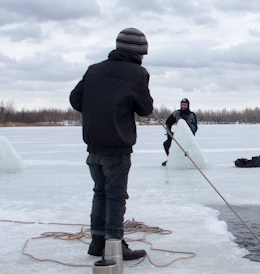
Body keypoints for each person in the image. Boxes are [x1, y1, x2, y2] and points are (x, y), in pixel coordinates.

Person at [69, 28, 154, 260]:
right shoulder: (137, 73)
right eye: (143, 52)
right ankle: (114, 245)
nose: (144, 57)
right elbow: (145, 109)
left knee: (100, 192)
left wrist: (99, 110)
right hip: (116, 146)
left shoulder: (94, 70)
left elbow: (75, 99)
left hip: (93, 145)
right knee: (115, 196)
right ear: (137, 52)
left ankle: (97, 242)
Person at [162, 98, 199, 165]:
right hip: (178, 136)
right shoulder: (177, 113)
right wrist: (169, 132)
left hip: (188, 137)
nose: (183, 106)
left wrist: (188, 123)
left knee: (186, 149)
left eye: (185, 105)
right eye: (182, 105)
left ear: (188, 106)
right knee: (166, 144)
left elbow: (195, 128)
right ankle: (171, 160)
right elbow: (168, 122)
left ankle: (189, 161)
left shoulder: (192, 115)